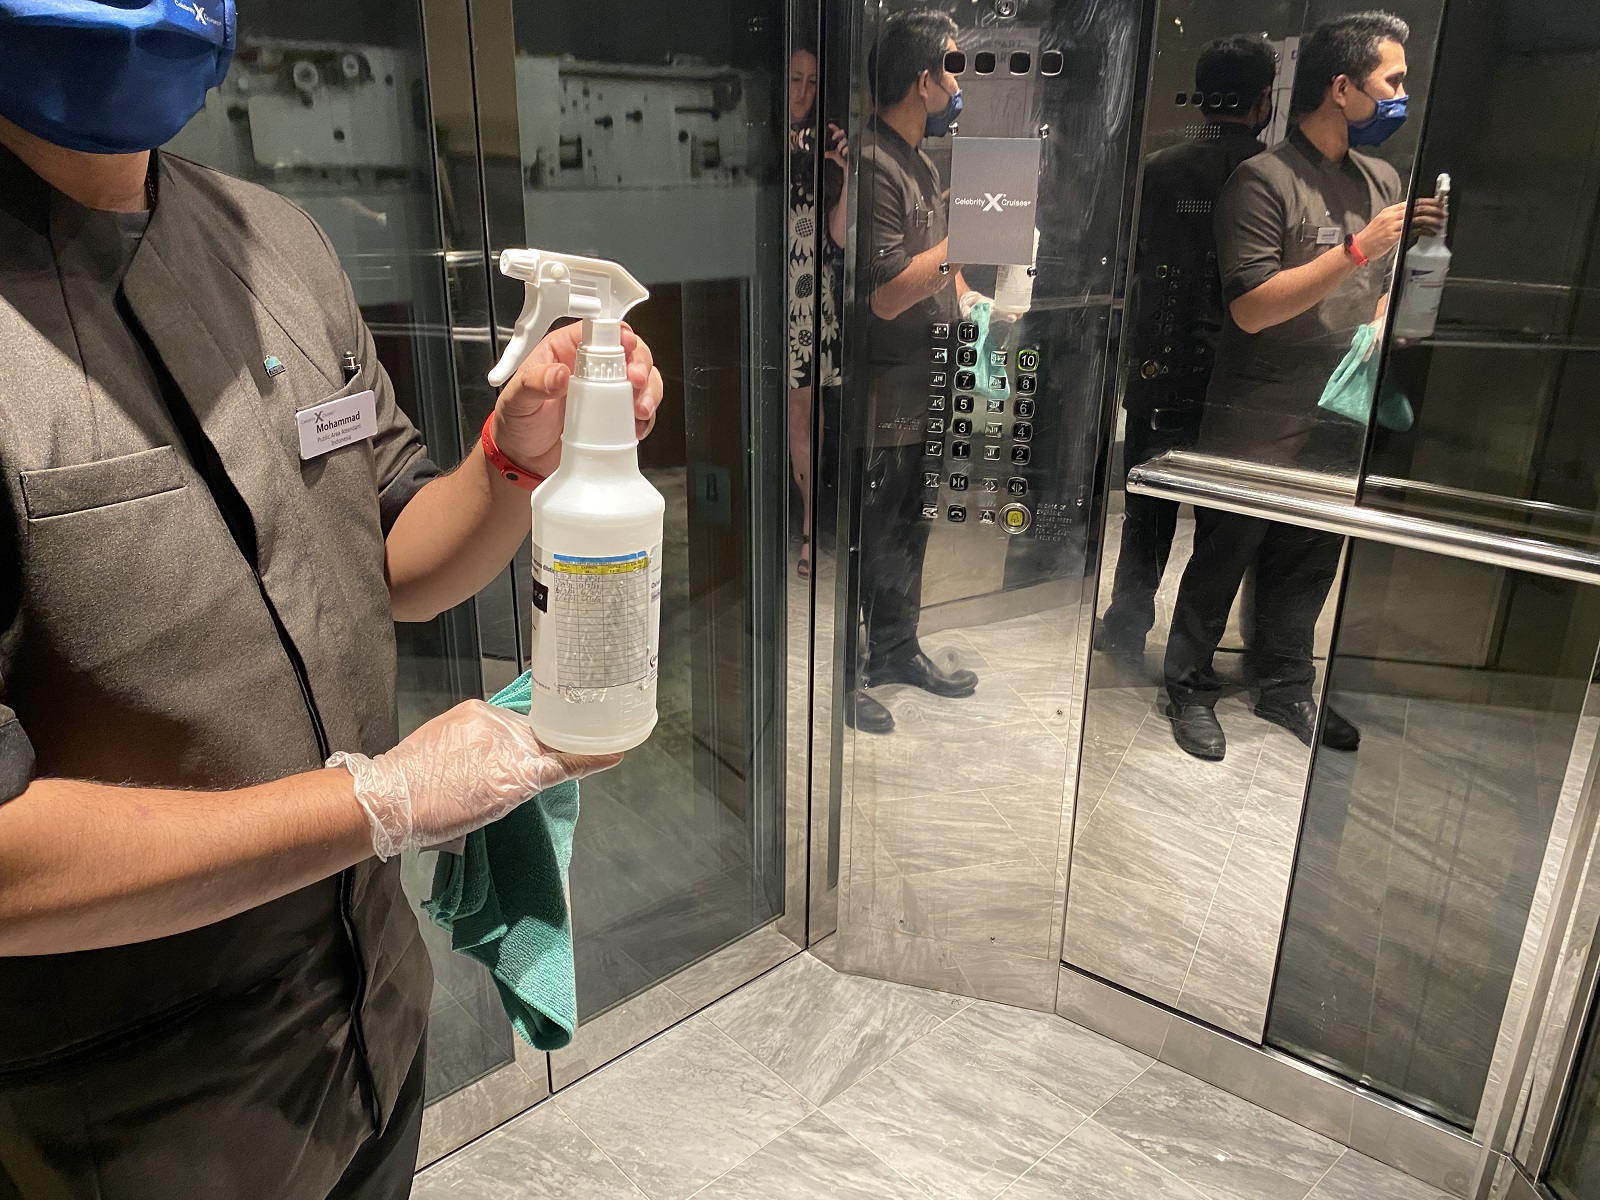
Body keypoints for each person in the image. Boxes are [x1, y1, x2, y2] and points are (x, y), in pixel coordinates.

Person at [0, 3, 663, 1197]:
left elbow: (395, 562)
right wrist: (380, 802)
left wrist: (515, 461)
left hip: (365, 1031)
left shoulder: (275, 243)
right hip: (116, 1123)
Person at [1162, 10, 1443, 761]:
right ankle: (1188, 685)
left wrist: (1386, 312)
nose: (1400, 96)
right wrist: (1358, 246)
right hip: (1257, 406)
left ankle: (1285, 682)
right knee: (1226, 549)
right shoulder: (1263, 180)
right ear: (1341, 86)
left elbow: (1380, 284)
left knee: (1312, 553)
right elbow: (1252, 307)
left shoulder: (1382, 179)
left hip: (1339, 404)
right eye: (1392, 81)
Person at [1094, 35, 1277, 669]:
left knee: (1147, 507)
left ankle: (1125, 623)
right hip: (1242, 374)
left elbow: (1132, 268)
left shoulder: (1160, 169)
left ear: (1201, 99)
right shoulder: (1271, 173)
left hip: (1160, 365)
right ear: (1263, 100)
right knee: (1223, 523)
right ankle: (1190, 650)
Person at [848, 8, 981, 735]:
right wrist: (967, 243)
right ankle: (845, 675)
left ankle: (896, 650)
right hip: (879, 391)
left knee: (908, 528)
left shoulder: (922, 162)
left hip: (922, 385)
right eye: (955, 68)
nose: (961, 84)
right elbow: (889, 290)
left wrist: (968, 292)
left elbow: (934, 277)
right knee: (869, 536)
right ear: (924, 77)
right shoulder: (873, 164)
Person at [786, 43, 847, 580]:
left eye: (811, 81)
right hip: (775, 290)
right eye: (794, 80)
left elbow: (838, 232)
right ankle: (804, 519)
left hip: (813, 290)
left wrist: (844, 174)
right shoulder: (760, 135)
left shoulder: (830, 138)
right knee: (797, 412)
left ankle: (809, 523)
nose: (803, 92)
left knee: (814, 408)